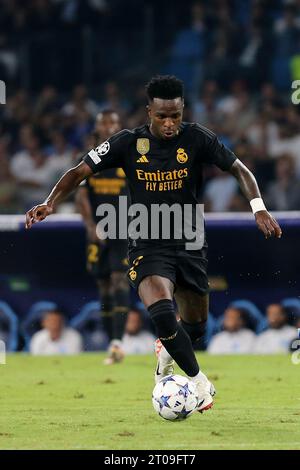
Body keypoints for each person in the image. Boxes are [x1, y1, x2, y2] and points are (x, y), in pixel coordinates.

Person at [25, 75, 282, 413]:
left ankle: (166, 350)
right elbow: (78, 171)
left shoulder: (198, 138)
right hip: (147, 242)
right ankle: (201, 385)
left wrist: (258, 208)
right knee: (161, 308)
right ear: (149, 112)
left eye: (175, 115)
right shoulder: (126, 143)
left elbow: (240, 169)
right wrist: (51, 201)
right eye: (162, 116)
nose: (169, 123)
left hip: (190, 242)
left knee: (196, 327)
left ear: (182, 110)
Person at [75, 110, 130, 365]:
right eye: (104, 123)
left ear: (119, 127)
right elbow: (81, 195)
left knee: (119, 280)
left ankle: (118, 342)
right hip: (98, 231)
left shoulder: (130, 157)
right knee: (104, 286)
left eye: (113, 123)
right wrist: (90, 225)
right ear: (97, 128)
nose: (109, 127)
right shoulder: (89, 159)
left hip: (124, 229)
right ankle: (112, 343)